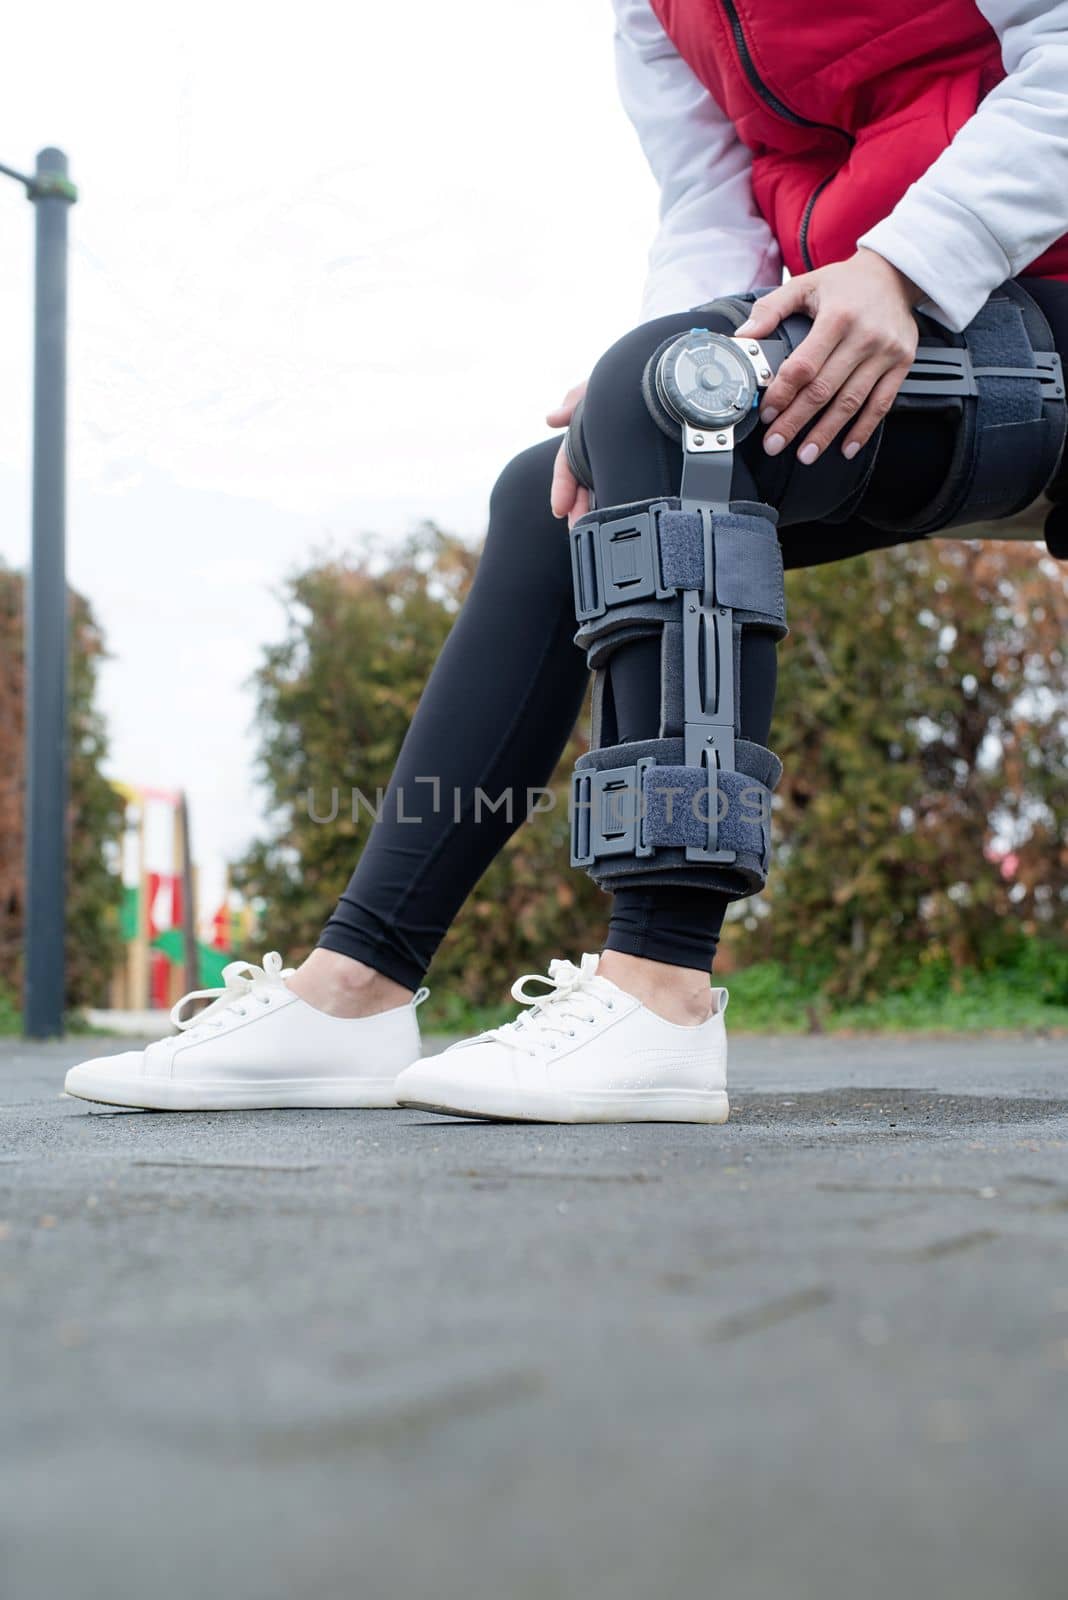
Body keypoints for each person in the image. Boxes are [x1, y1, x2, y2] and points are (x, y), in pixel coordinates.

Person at [66, 0, 1068, 1122]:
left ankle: (660, 992)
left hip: (1016, 288)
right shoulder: (654, 12)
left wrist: (905, 262)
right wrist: (664, 366)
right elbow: (710, 202)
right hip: (893, 316)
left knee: (662, 401)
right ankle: (357, 986)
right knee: (560, 486)